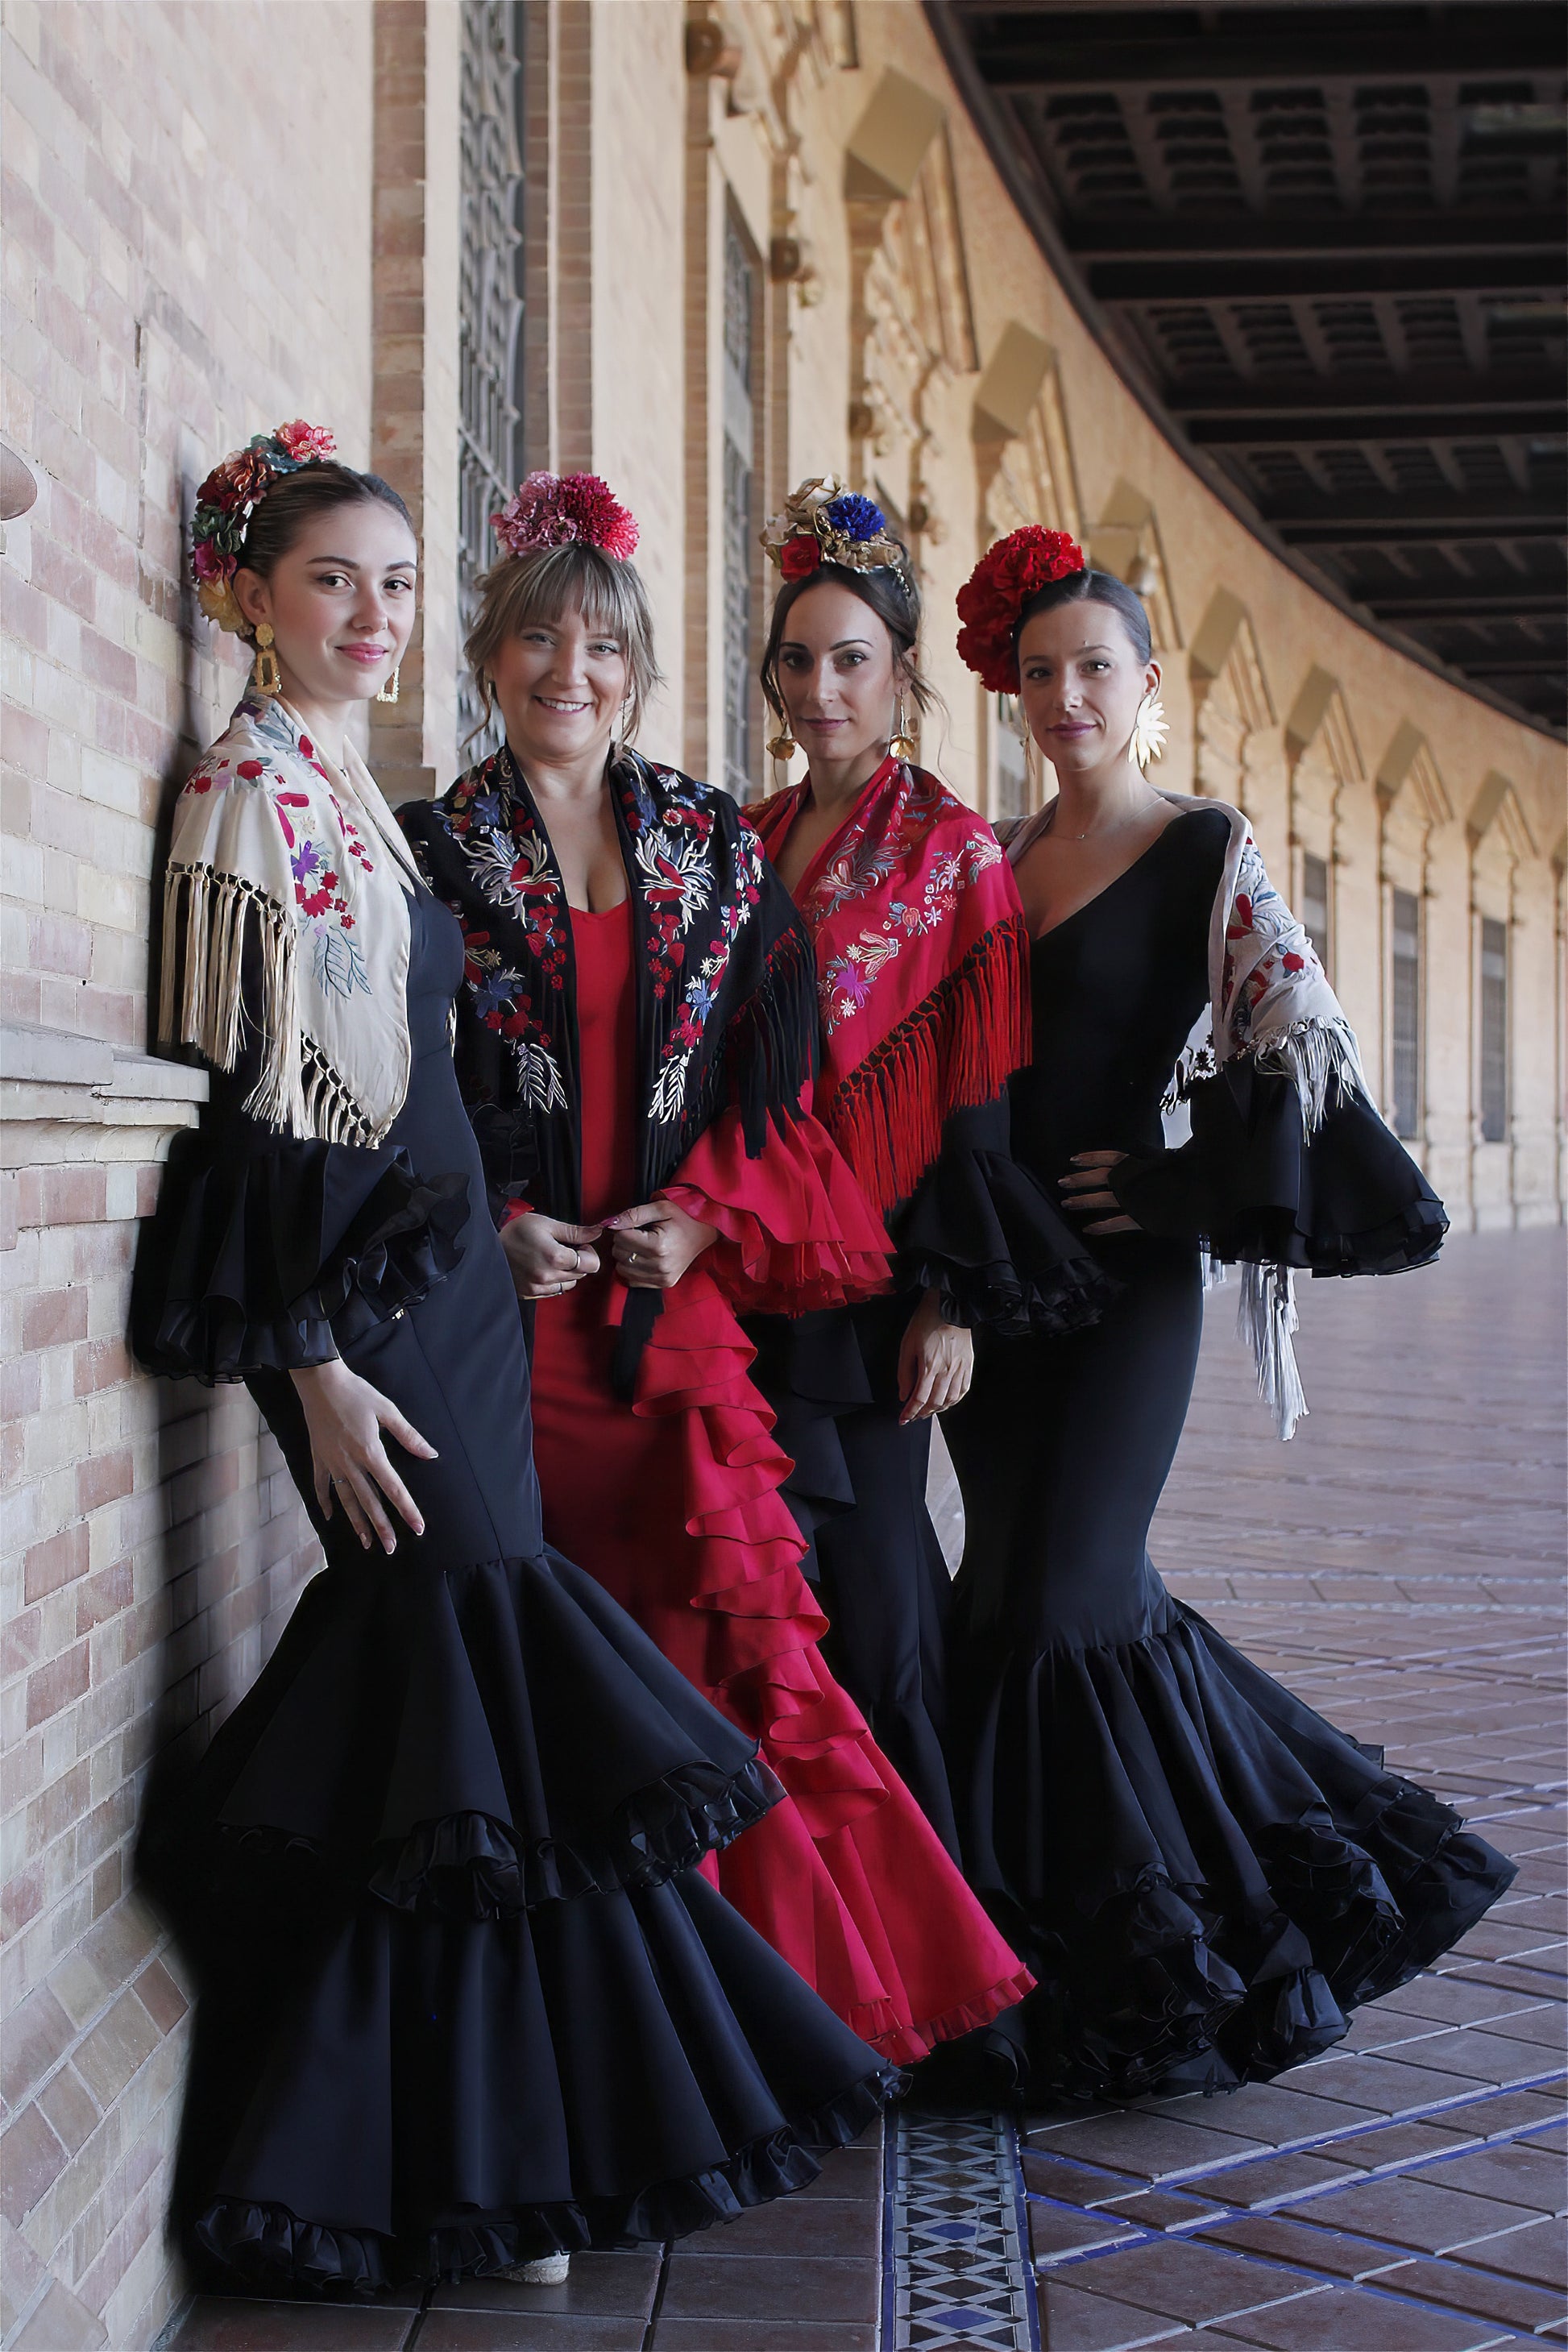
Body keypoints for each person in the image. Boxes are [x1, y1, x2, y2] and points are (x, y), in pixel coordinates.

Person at [131, 427, 898, 2299]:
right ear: (249, 593)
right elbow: (244, 1112)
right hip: (371, 1306)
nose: (371, 616)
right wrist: (305, 1365)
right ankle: (472, 2142)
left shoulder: (342, 782)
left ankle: (484, 2146)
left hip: (458, 1291)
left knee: (452, 1690)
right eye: (337, 582)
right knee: (472, 1648)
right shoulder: (248, 791)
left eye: (393, 583)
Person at [399, 468, 1031, 2066]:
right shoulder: (433, 851)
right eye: (538, 641)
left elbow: (782, 1084)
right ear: (489, 655)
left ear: (640, 669)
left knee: (721, 1649)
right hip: (516, 1327)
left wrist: (700, 1218)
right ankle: (588, 2024)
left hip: (672, 1318)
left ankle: (750, 2015)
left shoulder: (705, 843)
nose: (570, 672)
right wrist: (489, 1221)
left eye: (601, 645)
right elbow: (404, 1090)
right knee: (560, 1657)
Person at [937, 525, 1517, 2102]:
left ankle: (1197, 1950)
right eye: (1040, 671)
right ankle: (1016, 1978)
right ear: (1014, 687)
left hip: (1122, 1290)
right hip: (998, 1279)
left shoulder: (1205, 850)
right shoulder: (985, 859)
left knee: (1073, 1598)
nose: (1066, 694)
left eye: (1094, 669)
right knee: (1003, 1598)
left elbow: (1296, 1047)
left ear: (1145, 687)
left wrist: (1189, 1194)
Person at [745, 479, 1109, 1853]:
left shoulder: (953, 854)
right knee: (775, 1588)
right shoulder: (751, 837)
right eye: (798, 660)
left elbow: (978, 1096)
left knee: (883, 1589)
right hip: (750, 1265)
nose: (821, 688)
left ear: (902, 679)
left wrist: (954, 1300)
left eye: (851, 661)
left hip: (888, 1276)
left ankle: (933, 1915)